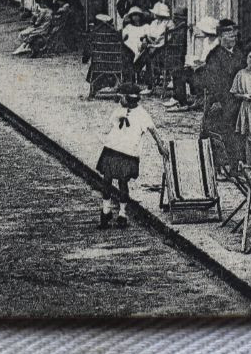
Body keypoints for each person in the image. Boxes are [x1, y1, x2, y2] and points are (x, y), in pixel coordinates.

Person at [94, 83, 169, 230]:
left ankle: (122, 213)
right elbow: (110, 127)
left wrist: (161, 146)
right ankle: (106, 210)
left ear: (128, 98)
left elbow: (153, 131)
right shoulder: (118, 110)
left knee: (123, 182)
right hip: (112, 149)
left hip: (129, 152)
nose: (118, 99)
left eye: (121, 96)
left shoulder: (142, 114)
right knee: (107, 180)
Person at [195, 20, 245, 168]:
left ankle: (237, 163)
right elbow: (212, 81)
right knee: (219, 128)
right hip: (220, 97)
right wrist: (218, 99)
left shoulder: (239, 53)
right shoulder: (214, 55)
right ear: (221, 37)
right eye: (229, 36)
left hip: (237, 96)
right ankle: (217, 164)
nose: (232, 39)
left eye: (234, 36)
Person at [167, 16, 221, 109]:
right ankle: (181, 100)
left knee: (194, 74)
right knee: (178, 72)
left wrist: (202, 65)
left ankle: (192, 99)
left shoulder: (218, 42)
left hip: (211, 71)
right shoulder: (205, 40)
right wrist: (196, 63)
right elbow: (203, 57)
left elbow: (215, 62)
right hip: (201, 67)